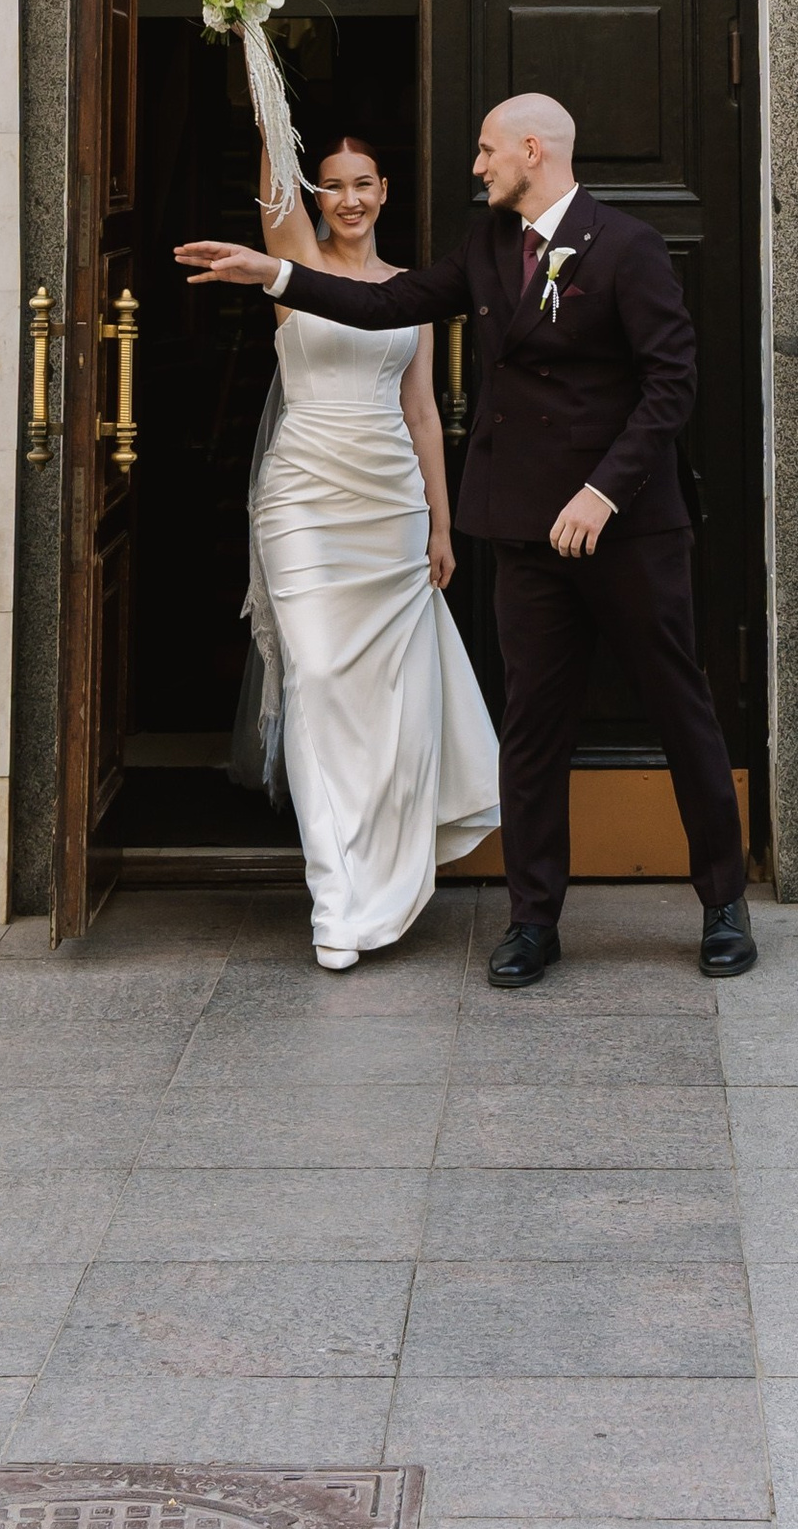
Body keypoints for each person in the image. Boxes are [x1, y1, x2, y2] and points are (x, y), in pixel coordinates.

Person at [180, 91, 754, 985]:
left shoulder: (632, 248)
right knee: (531, 728)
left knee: (681, 710)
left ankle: (722, 904)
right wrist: (278, 275)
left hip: (630, 528)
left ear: (532, 150)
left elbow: (670, 388)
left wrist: (603, 493)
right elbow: (390, 302)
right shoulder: (488, 249)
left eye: (487, 152)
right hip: (525, 529)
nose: (476, 166)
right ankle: (533, 922)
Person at [233, 131, 500, 968]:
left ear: (385, 190)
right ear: (316, 195)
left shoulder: (410, 290)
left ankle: (385, 872)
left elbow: (423, 415)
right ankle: (334, 895)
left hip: (390, 508)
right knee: (314, 681)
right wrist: (247, 23)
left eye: (363, 184)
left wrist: (442, 523)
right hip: (304, 500)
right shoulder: (294, 264)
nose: (348, 199)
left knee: (391, 702)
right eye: (333, 186)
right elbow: (273, 177)